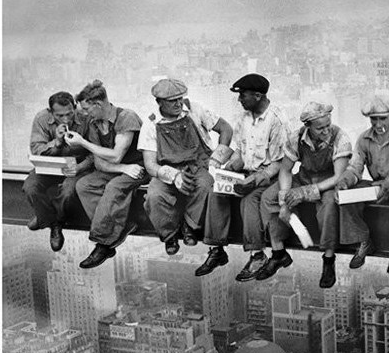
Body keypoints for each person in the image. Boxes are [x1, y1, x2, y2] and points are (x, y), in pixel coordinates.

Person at [196, 73, 289, 281]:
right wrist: (227, 168)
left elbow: (279, 163)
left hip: (268, 176)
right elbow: (239, 151)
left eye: (243, 95)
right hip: (246, 172)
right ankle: (217, 249)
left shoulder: (277, 121)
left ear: (258, 96)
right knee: (216, 192)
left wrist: (255, 180)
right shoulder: (244, 118)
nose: (239, 100)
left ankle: (257, 255)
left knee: (249, 200)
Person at [258, 101, 356, 288]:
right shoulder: (296, 138)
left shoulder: (341, 138)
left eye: (328, 125)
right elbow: (286, 170)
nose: (326, 131)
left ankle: (328, 259)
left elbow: (338, 177)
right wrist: (284, 202)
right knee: (269, 198)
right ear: (308, 126)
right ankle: (278, 252)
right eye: (320, 128)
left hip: (328, 183)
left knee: (329, 206)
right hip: (304, 177)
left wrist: (304, 193)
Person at [139, 77, 233, 256]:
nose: (178, 104)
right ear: (159, 102)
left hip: (197, 165)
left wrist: (216, 159)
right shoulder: (151, 124)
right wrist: (174, 176)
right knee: (154, 196)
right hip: (167, 169)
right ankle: (169, 234)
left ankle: (190, 226)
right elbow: (150, 164)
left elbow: (226, 129)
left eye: (180, 99)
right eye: (172, 101)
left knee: (205, 186)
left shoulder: (194, 109)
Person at [65, 81, 146, 269]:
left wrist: (83, 142)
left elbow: (116, 155)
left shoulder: (126, 117)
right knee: (84, 185)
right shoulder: (94, 124)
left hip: (139, 167)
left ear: (98, 104)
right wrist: (122, 169)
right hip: (121, 168)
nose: (85, 114)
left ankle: (103, 244)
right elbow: (99, 162)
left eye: (87, 109)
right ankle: (121, 226)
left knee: (114, 187)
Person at [338, 94, 389, 273]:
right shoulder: (364, 139)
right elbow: (355, 167)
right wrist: (345, 180)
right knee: (347, 196)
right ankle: (363, 240)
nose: (378, 124)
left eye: (383, 118)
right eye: (374, 119)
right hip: (377, 185)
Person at [23, 91, 91, 253]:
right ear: (51, 112)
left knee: (68, 192)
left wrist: (80, 167)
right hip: (49, 165)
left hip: (76, 166)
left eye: (69, 114)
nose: (66, 119)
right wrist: (57, 142)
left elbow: (94, 152)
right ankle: (51, 222)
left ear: (75, 107)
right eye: (60, 116)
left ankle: (48, 219)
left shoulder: (86, 118)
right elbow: (37, 149)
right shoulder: (42, 119)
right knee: (30, 187)